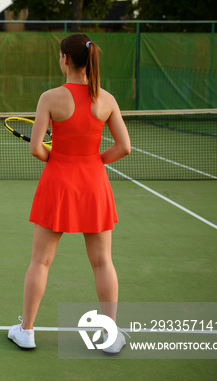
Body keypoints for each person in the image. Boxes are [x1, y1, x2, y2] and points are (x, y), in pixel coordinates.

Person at [7, 34, 131, 353]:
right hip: (94, 185)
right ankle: (110, 336)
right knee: (103, 262)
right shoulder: (107, 99)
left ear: (65, 59)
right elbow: (124, 147)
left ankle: (27, 331)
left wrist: (60, 159)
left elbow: (37, 149)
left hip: (58, 182)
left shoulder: (50, 98)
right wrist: (93, 162)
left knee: (40, 261)